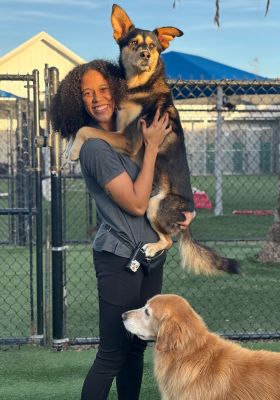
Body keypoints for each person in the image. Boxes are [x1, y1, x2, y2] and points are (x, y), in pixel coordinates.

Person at [50, 59, 195, 400]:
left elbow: (164, 177)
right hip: (119, 258)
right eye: (87, 94)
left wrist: (181, 209)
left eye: (102, 89)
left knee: (135, 350)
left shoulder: (128, 135)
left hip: (149, 255)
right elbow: (136, 204)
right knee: (113, 353)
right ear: (78, 102)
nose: (97, 98)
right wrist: (152, 147)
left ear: (116, 91)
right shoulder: (96, 148)